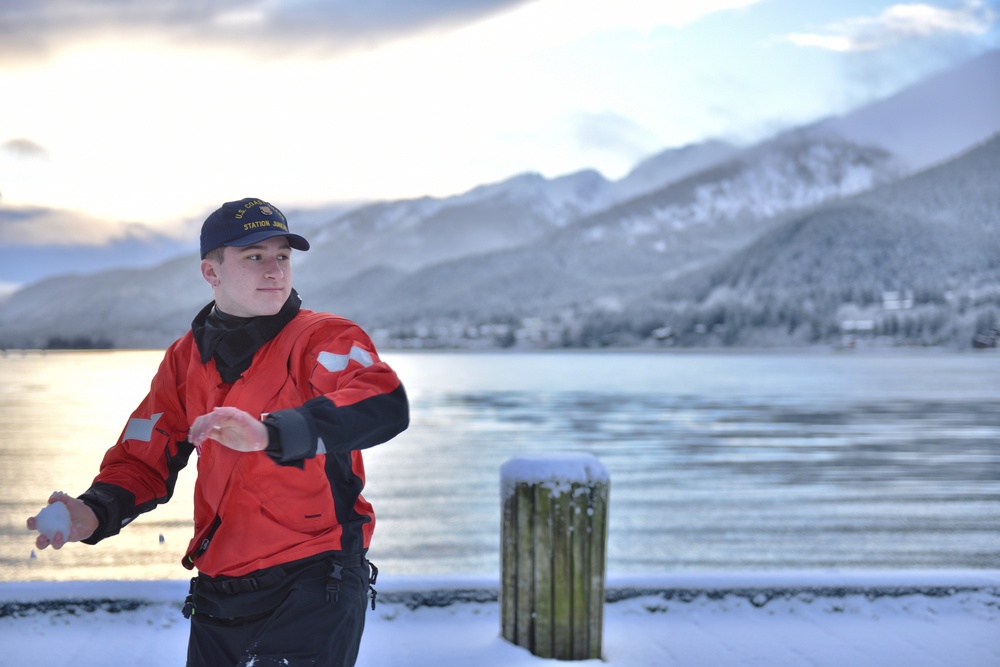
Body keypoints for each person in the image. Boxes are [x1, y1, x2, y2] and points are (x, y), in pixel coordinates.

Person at [27, 197, 409, 667]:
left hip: (315, 579)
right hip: (219, 587)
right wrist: (95, 511)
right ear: (211, 272)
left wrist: (273, 433)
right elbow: (143, 458)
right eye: (255, 256)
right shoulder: (184, 358)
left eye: (283, 256)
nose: (274, 270)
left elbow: (382, 403)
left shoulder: (325, 338)